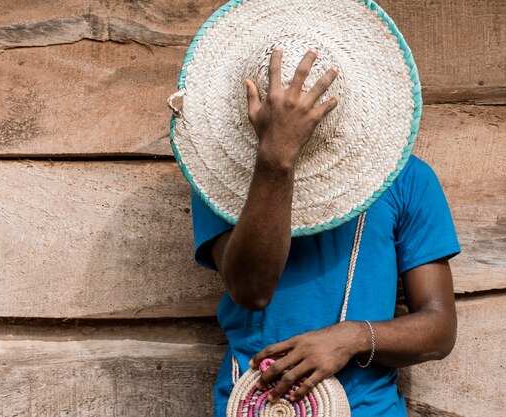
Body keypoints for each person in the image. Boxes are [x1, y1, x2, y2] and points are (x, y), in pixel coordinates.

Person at [191, 47, 461, 416]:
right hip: (255, 406)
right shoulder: (218, 179)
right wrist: (277, 157)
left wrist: (352, 338)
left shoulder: (407, 179)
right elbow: (251, 290)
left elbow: (439, 328)